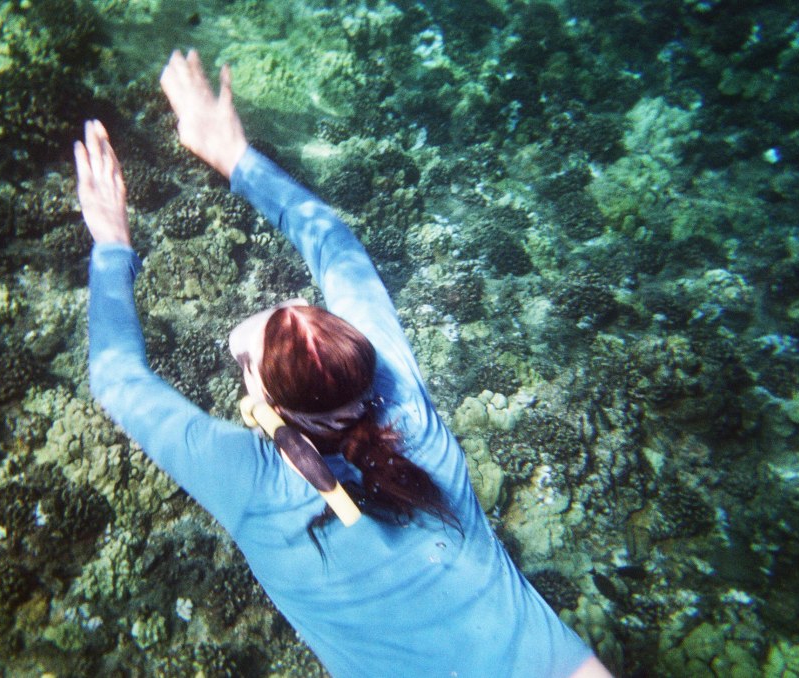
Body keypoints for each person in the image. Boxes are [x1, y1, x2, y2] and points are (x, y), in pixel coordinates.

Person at [75, 48, 613, 678]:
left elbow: (115, 378)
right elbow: (337, 246)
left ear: (266, 402)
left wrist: (112, 244)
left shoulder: (251, 482)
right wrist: (236, 158)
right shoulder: (399, 393)